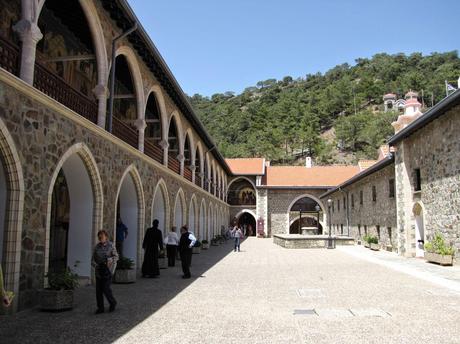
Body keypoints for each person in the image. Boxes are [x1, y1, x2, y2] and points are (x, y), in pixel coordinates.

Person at [92, 230, 118, 314]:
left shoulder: (111, 246)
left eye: (102, 237)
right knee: (98, 290)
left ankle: (112, 302)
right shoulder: (97, 247)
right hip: (99, 271)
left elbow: (116, 256)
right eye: (99, 237)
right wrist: (95, 265)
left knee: (106, 289)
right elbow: (92, 260)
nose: (100, 238)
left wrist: (110, 261)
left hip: (108, 271)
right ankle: (100, 307)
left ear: (106, 237)